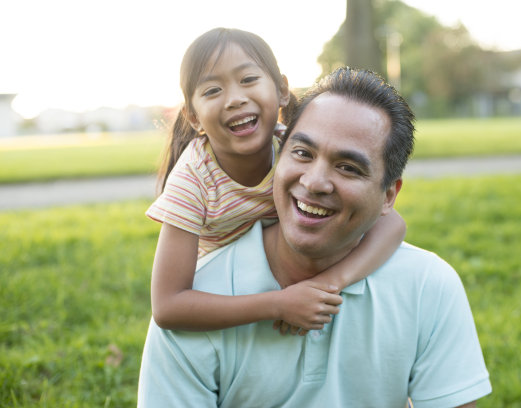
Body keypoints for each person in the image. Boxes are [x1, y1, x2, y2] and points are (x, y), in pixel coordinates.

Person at [138, 67, 492, 407]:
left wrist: (329, 283)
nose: (314, 182)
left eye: (348, 167)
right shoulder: (200, 303)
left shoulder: (428, 285)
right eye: (303, 154)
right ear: (279, 152)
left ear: (389, 196)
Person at [146, 27, 406, 335]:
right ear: (193, 117)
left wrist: (327, 284)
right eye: (212, 90)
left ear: (282, 90)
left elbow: (392, 224)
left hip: (285, 273)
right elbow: (168, 307)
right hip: (224, 292)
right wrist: (278, 304)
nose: (235, 99)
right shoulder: (193, 181)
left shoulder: (294, 149)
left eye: (248, 79)